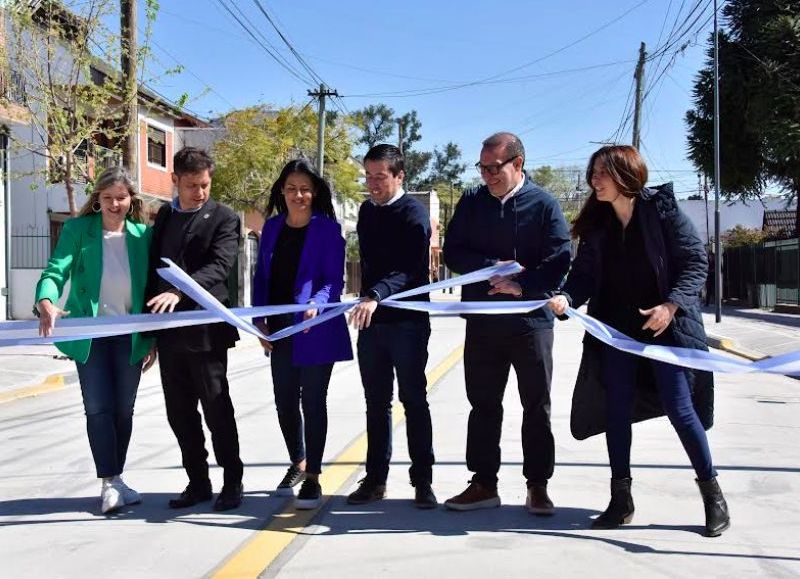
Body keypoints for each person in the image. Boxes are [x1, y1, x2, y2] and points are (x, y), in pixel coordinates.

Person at [548, 144, 729, 537]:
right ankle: (620, 499)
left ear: (624, 174)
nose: (594, 180)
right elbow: (582, 276)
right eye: (592, 173)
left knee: (681, 408)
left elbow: (696, 262)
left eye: (601, 173)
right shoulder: (598, 225)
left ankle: (713, 494)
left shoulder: (661, 211)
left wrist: (672, 305)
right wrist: (566, 298)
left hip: (663, 328)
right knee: (616, 411)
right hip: (615, 331)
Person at [442, 132, 571, 514]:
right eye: (482, 168)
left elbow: (560, 257)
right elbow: (453, 251)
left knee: (536, 405)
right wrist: (489, 270)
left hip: (531, 322)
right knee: (482, 404)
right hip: (483, 322)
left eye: (494, 167)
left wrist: (522, 285)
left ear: (518, 164)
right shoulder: (471, 203)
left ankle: (538, 485)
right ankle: (483, 483)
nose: (487, 175)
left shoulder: (545, 204)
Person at [34, 166, 156, 514]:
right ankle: (109, 481)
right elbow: (56, 271)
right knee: (98, 408)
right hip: (91, 336)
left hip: (129, 337)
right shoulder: (77, 230)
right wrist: (46, 301)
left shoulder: (141, 235)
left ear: (131, 199)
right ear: (97, 200)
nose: (115, 204)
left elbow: (150, 290)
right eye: (107, 198)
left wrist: (153, 339)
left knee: (124, 410)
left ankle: (116, 479)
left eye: (121, 197)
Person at [145, 147, 244, 512]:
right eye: (191, 186)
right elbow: (151, 269)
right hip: (170, 333)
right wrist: (148, 331)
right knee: (180, 412)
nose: (200, 192)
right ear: (175, 181)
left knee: (217, 409)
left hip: (206, 333)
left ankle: (232, 481)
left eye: (204, 185)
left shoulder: (225, 218)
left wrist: (178, 289)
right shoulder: (166, 215)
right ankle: (198, 482)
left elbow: (219, 266)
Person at [251, 159, 353, 509]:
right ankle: (298, 460)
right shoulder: (272, 227)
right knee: (283, 401)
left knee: (312, 401)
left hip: (314, 328)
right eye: (292, 188)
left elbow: (331, 281)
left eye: (306, 189)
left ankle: (313, 477)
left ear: (315, 192)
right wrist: (258, 320)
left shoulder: (327, 230)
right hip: (279, 329)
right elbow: (261, 277)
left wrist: (317, 302)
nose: (299, 195)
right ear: (282, 190)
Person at [346, 143, 437, 509]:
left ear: (400, 176)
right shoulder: (367, 212)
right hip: (373, 323)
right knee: (375, 403)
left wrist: (377, 294)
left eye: (380, 177)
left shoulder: (413, 214)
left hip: (407, 324)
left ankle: (423, 481)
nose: (372, 184)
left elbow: (411, 269)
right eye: (367, 176)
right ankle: (376, 479)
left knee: (413, 400)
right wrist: (368, 296)